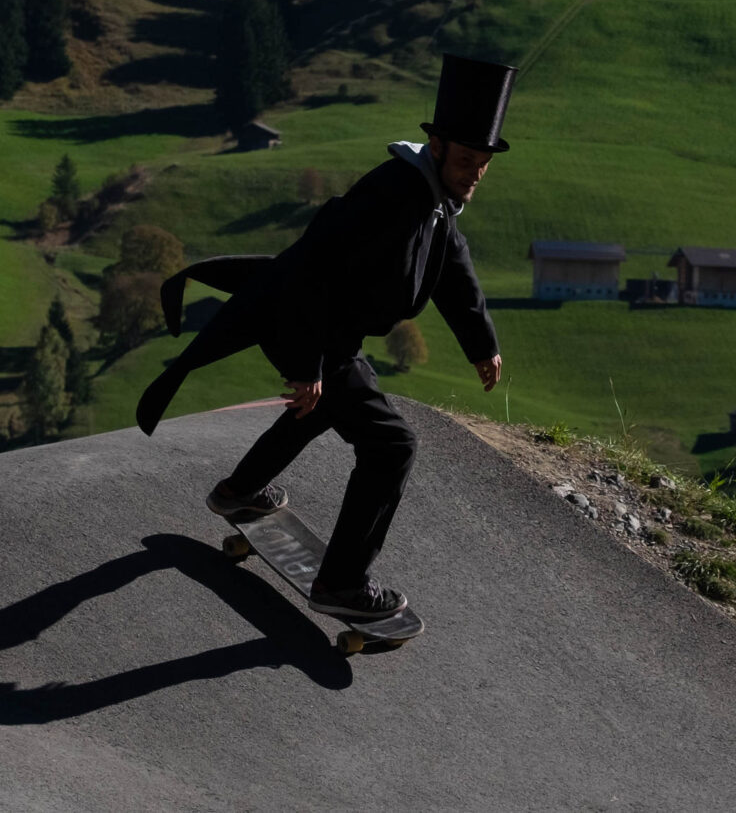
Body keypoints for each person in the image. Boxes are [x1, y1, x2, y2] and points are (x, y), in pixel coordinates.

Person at [137, 55, 515, 620]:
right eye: (467, 161)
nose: (475, 174)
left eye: (483, 165)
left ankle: (240, 492)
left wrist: (482, 344)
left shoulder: (433, 198)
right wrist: (308, 364)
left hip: (323, 327)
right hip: (302, 319)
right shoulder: (393, 196)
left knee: (323, 407)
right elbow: (314, 268)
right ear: (436, 147)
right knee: (392, 446)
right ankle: (341, 585)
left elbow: (452, 263)